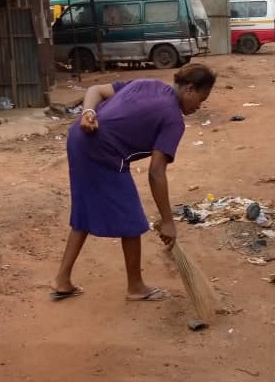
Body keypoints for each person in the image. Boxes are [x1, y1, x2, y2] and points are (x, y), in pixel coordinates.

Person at [52, 63, 217, 302]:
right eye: (201, 99)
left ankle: (62, 280)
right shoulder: (173, 119)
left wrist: (88, 113)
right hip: (103, 152)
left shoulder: (148, 84)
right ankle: (136, 287)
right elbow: (156, 173)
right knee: (132, 220)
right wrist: (168, 221)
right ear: (190, 89)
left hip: (79, 137)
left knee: (84, 211)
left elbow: (95, 91)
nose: (199, 107)